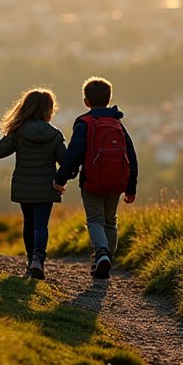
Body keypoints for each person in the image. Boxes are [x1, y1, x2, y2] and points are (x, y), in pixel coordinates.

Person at [53, 76, 138, 279]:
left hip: (92, 182)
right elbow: (131, 156)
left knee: (95, 220)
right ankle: (107, 257)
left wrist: (61, 178)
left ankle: (101, 254)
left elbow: (74, 154)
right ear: (109, 99)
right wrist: (131, 186)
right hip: (117, 182)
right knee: (110, 221)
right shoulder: (117, 124)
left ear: (86, 101)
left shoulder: (85, 123)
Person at [0, 89, 66, 280]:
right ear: (49, 110)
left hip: (24, 186)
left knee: (29, 223)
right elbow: (66, 161)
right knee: (41, 225)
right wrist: (61, 179)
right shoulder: (54, 134)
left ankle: (30, 262)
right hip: (47, 187)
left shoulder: (18, 132)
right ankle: (38, 259)